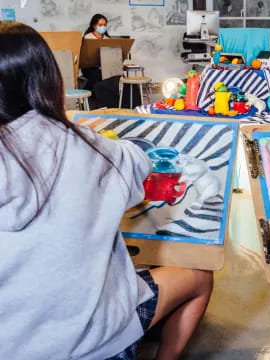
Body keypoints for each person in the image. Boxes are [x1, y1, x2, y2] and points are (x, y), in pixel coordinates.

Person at [0, 21, 213, 360]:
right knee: (200, 277)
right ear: (49, 80)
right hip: (94, 341)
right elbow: (138, 164)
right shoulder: (84, 144)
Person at [81, 14, 110, 96]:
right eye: (100, 25)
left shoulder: (107, 39)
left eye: (105, 25)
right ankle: (88, 96)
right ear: (94, 25)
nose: (103, 27)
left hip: (104, 67)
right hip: (89, 67)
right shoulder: (88, 37)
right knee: (96, 75)